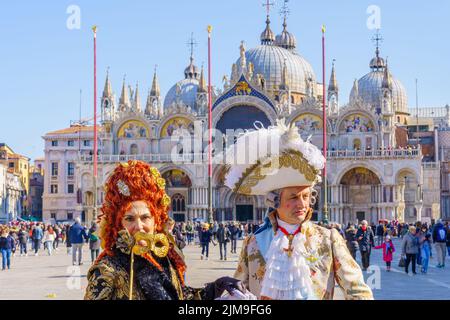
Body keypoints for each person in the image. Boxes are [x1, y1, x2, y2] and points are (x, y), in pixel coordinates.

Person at [227, 120, 373, 299]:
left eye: (305, 197)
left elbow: (357, 290)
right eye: (294, 197)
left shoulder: (328, 239)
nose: (302, 204)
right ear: (274, 200)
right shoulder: (254, 243)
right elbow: (239, 290)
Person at [85, 160, 244, 300]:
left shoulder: (165, 258)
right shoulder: (108, 269)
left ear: (156, 221)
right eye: (129, 219)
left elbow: (181, 296)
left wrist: (214, 289)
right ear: (117, 223)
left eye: (145, 217)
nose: (139, 226)